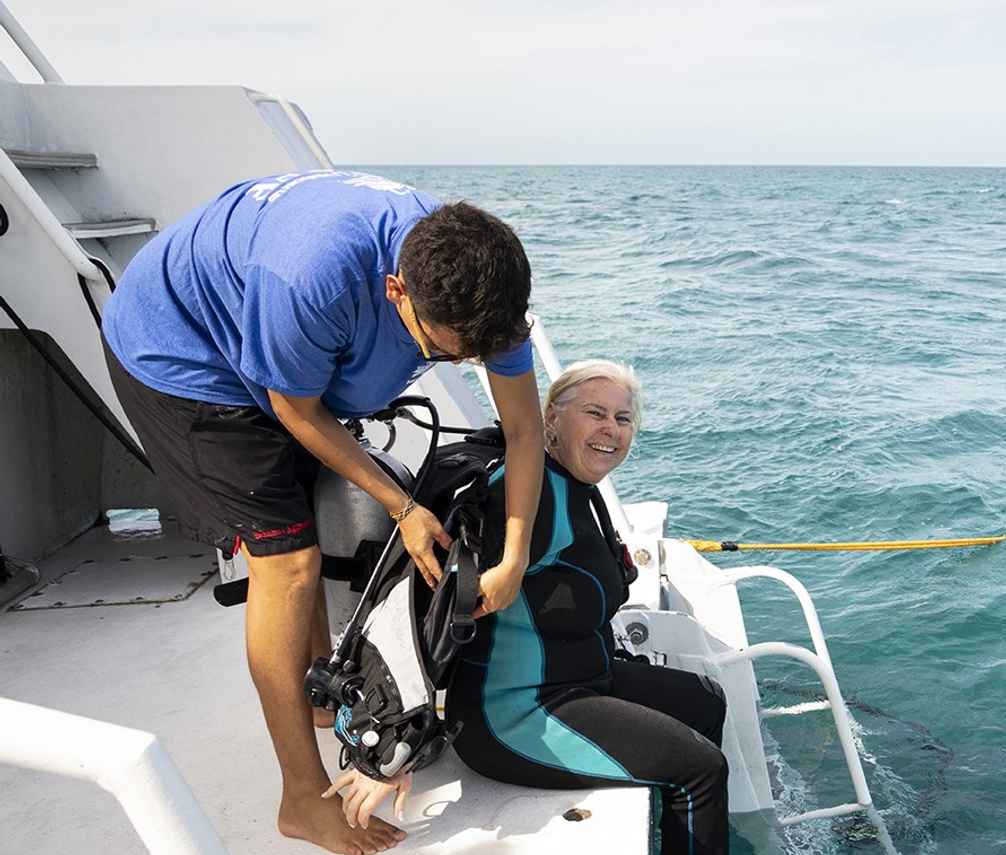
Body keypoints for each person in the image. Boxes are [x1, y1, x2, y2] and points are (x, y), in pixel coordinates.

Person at [101, 170, 546, 855]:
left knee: (304, 514)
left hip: (280, 342)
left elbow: (523, 430)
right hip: (183, 354)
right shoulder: (312, 277)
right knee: (289, 560)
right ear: (397, 290)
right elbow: (293, 408)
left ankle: (315, 697)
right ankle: (301, 799)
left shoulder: (485, 290)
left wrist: (513, 557)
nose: (464, 362)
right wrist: (401, 507)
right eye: (446, 350)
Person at [324, 360, 731, 855]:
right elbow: (432, 609)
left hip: (584, 678)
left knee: (706, 701)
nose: (612, 430)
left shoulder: (569, 483)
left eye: (624, 419)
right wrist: (387, 747)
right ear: (550, 419)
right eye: (595, 413)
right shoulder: (529, 499)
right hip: (515, 714)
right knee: (701, 770)